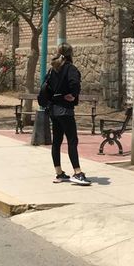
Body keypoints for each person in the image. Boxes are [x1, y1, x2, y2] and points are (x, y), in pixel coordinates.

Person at [42, 43, 91, 186]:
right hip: (65, 110)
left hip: (53, 110)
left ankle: (59, 173)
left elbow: (45, 87)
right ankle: (77, 172)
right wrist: (73, 95)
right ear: (71, 53)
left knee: (56, 141)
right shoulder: (70, 68)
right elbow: (75, 83)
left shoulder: (52, 69)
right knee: (72, 140)